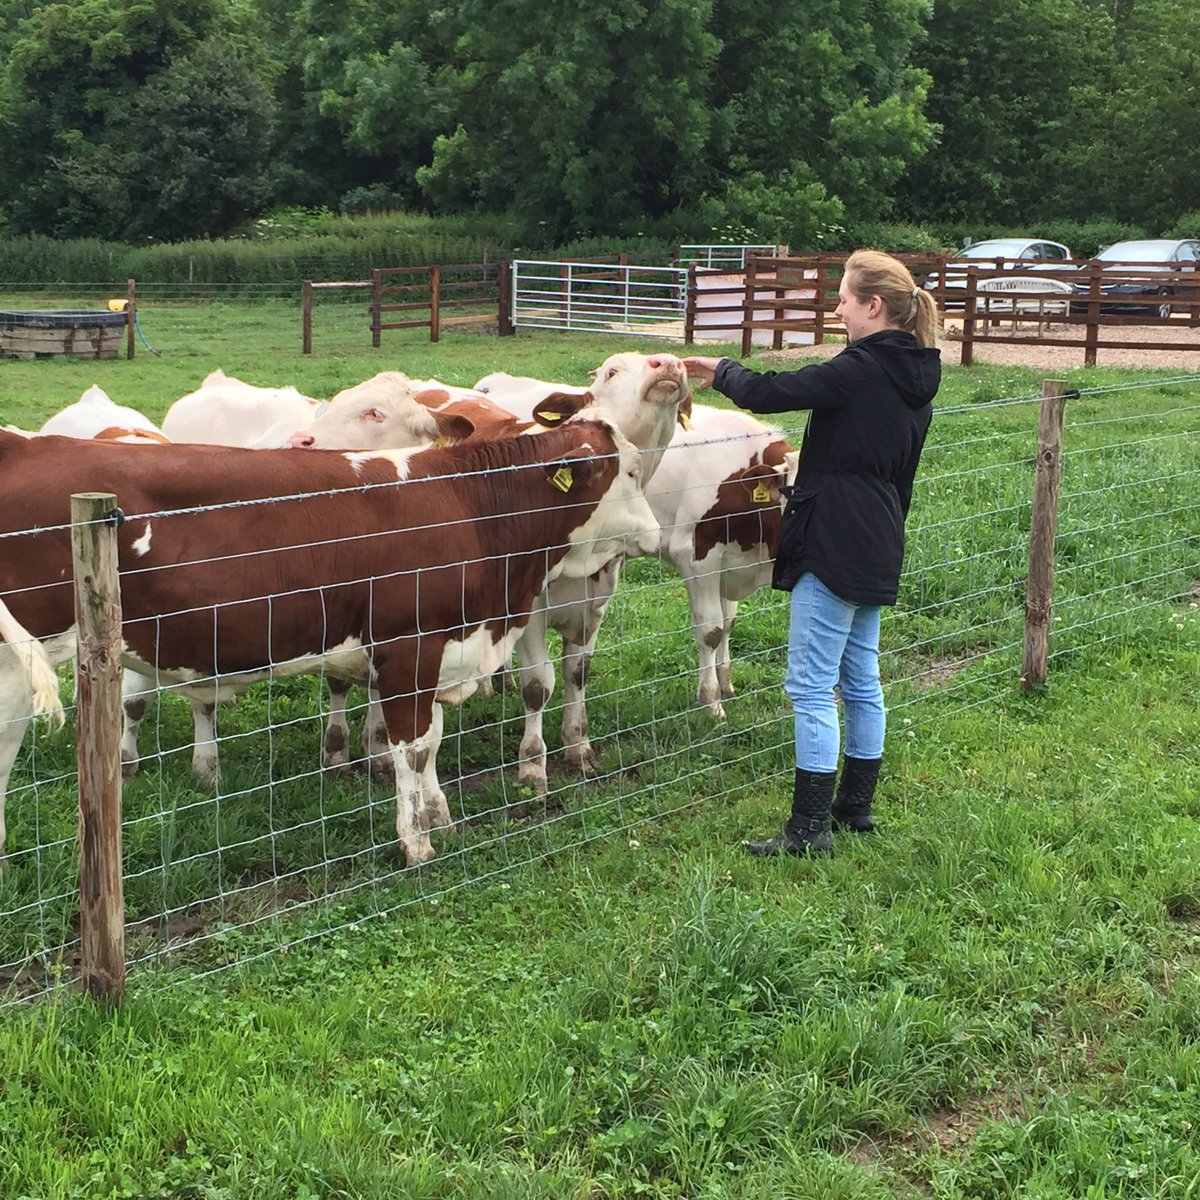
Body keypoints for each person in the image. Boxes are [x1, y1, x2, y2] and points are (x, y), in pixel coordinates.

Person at [682, 249, 940, 856]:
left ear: (873, 306)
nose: (839, 308)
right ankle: (854, 808)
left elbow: (774, 394)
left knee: (810, 684)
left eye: (845, 298)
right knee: (860, 677)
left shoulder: (861, 367)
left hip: (833, 536)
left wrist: (719, 369)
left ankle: (807, 828)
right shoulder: (917, 377)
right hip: (880, 533)